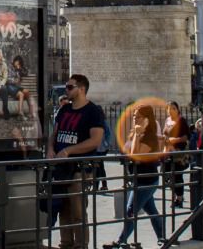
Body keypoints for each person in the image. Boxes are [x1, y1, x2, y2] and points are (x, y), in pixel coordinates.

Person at [49, 75, 106, 249]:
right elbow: (54, 133)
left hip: (79, 169)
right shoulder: (64, 110)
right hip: (60, 168)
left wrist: (68, 150)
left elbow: (95, 140)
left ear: (81, 89)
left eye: (69, 87)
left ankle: (81, 246)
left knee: (78, 212)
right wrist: (50, 149)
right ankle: (65, 244)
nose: (66, 89)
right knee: (63, 211)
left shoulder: (93, 111)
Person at [108, 103, 165, 248]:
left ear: (147, 119)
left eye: (138, 117)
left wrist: (138, 135)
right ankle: (162, 237)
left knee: (130, 210)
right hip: (139, 178)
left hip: (147, 179)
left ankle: (121, 240)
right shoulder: (137, 133)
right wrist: (136, 135)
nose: (135, 119)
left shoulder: (149, 136)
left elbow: (135, 155)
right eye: (134, 116)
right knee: (151, 210)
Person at [163, 101, 190, 208]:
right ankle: (178, 195)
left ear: (178, 109)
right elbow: (165, 135)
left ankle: (178, 198)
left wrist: (175, 140)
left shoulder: (181, 120)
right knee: (167, 175)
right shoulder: (167, 120)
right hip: (168, 151)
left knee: (177, 175)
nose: (171, 110)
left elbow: (187, 136)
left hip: (179, 152)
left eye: (173, 108)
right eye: (169, 108)